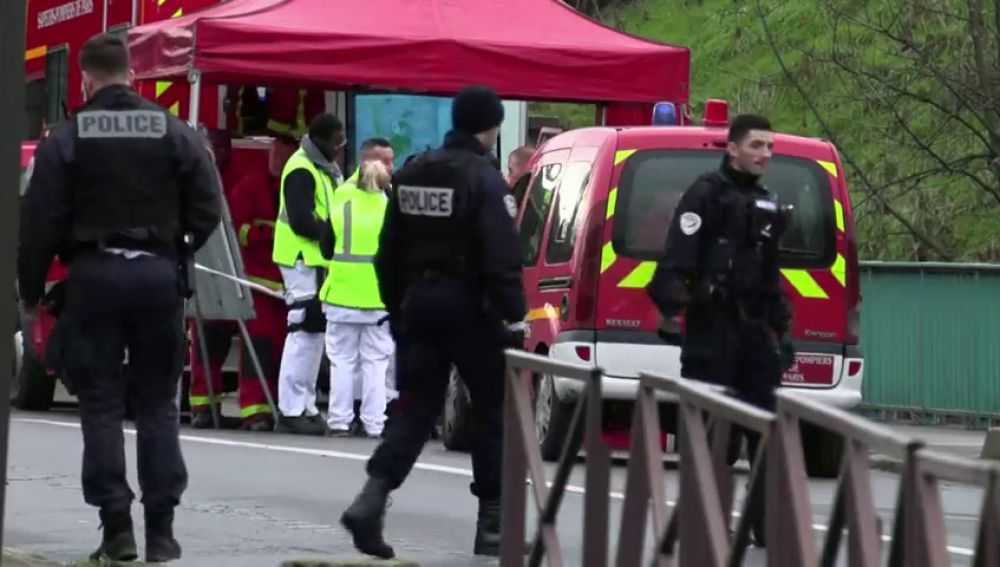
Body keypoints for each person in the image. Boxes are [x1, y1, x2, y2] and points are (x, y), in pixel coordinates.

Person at [17, 33, 221, 563]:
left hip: (94, 277)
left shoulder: (69, 136)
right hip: (157, 278)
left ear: (85, 78)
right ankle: (162, 531)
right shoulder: (171, 129)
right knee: (157, 405)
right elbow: (208, 204)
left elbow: (38, 220)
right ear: (131, 74)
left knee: (102, 405)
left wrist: (32, 292)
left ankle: (116, 530)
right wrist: (176, 248)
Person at [340, 86, 527, 559]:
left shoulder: (413, 172)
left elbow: (388, 250)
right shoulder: (484, 181)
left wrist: (399, 310)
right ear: (489, 128)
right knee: (488, 411)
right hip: (470, 307)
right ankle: (491, 524)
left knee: (415, 410)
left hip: (418, 303)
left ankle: (371, 498)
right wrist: (514, 312)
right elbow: (502, 255)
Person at [645, 114, 794, 545]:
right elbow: (678, 258)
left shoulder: (765, 202)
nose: (765, 155)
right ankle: (705, 520)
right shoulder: (704, 196)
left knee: (765, 426)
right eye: (756, 146)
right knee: (713, 433)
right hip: (712, 328)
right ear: (732, 149)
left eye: (769, 147)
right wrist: (675, 311)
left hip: (753, 333)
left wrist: (780, 327)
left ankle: (764, 525)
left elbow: (770, 272)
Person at [272, 114, 346, 435]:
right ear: (323, 139)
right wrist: (332, 236)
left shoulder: (324, 169)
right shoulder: (302, 168)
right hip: (301, 258)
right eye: (337, 142)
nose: (340, 148)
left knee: (314, 331)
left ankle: (306, 405)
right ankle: (290, 408)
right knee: (302, 330)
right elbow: (302, 220)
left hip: (316, 260)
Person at [222, 134, 299, 431]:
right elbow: (238, 231)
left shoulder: (297, 185)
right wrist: (270, 235)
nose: (277, 161)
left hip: (290, 285)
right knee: (259, 347)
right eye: (274, 155)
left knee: (285, 349)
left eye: (283, 156)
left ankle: (283, 407)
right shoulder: (251, 187)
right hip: (259, 284)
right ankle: (255, 410)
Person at [319, 158, 394, 438]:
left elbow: (326, 248)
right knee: (376, 363)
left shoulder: (341, 200)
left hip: (341, 294)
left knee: (342, 360)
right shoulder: (388, 208)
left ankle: (339, 420)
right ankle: (374, 422)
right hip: (377, 298)